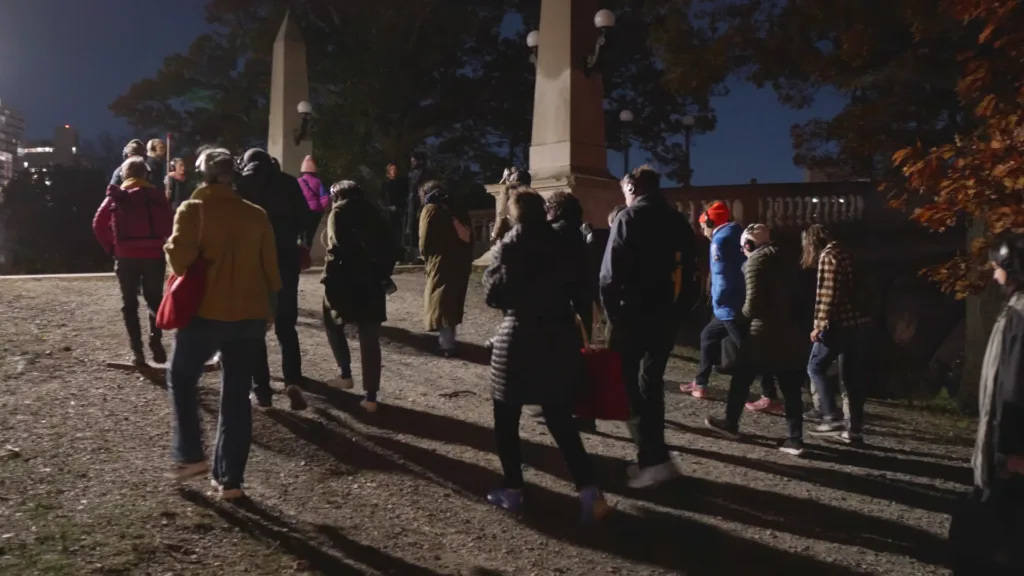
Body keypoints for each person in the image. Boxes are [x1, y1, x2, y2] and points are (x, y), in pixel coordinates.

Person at [482, 188, 610, 522]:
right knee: (560, 420)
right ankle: (590, 491)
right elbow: (581, 291)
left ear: (514, 214)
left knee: (506, 420)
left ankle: (513, 489)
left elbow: (493, 295)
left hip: (519, 336)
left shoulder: (511, 245)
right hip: (558, 336)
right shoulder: (566, 245)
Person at [163, 147, 281, 500]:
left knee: (181, 376)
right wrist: (270, 311)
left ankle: (189, 455)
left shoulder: (193, 209)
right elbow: (271, 270)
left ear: (203, 174)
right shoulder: (256, 214)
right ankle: (230, 480)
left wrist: (174, 245)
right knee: (237, 393)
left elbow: (180, 260)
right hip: (249, 314)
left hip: (206, 312)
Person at [599, 164, 698, 489]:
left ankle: (653, 459)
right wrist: (678, 311)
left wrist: (613, 315)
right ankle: (657, 457)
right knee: (651, 384)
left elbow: (610, 276)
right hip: (665, 316)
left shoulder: (629, 219)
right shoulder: (677, 221)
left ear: (632, 187)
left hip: (631, 315)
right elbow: (692, 270)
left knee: (626, 386)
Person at [952, 232, 1024, 574]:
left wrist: (1013, 450)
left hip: (1011, 445)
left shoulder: (1019, 316)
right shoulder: (1014, 311)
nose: (995, 275)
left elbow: (1015, 386)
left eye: (998, 267)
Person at [704, 224, 809, 455]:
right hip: (790, 332)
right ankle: (795, 440)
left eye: (744, 247)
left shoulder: (755, 263)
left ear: (750, 245)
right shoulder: (786, 259)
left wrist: (740, 317)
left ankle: (731, 424)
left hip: (763, 332)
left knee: (741, 378)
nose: (743, 251)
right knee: (791, 388)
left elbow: (753, 304)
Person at [680, 201, 780, 407]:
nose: (701, 228)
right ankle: (700, 382)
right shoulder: (736, 233)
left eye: (702, 224)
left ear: (710, 221)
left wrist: (717, 300)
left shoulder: (719, 241)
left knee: (750, 350)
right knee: (707, 336)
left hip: (729, 308)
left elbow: (721, 275)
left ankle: (769, 394)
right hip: (733, 305)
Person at [236, 148, 309, 411]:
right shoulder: (289, 182)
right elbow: (304, 217)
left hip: (253, 261)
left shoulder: (241, 185)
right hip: (286, 258)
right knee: (286, 324)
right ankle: (292, 381)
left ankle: (262, 390)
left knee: (256, 327)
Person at [321, 181, 396, 413]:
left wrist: (327, 277)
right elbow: (391, 247)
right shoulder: (376, 213)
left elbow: (335, 248)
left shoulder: (338, 212)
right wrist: (383, 273)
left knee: (332, 322)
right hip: (372, 282)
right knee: (370, 338)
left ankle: (345, 373)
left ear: (337, 195)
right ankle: (371, 397)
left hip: (345, 281)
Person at [92, 156, 174, 366]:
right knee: (154, 300)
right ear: (146, 174)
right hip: (153, 255)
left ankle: (137, 352)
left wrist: (112, 246)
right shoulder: (156, 196)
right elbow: (170, 224)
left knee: (129, 304)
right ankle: (155, 340)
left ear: (124, 174)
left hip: (126, 256)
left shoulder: (116, 197)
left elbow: (98, 224)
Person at [802, 223, 872, 445]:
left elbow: (827, 292)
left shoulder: (828, 256)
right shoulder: (848, 252)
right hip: (859, 322)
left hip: (839, 323)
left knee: (815, 367)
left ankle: (830, 416)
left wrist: (819, 325)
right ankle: (854, 430)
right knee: (851, 380)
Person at [419, 180, 474, 357]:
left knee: (441, 301)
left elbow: (424, 240)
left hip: (440, 260)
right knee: (453, 299)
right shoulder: (457, 207)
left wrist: (425, 257)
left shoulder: (431, 209)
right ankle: (449, 340)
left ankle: (446, 344)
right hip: (460, 260)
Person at [403, 152, 431, 262]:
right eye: (412, 161)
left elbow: (424, 188)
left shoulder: (424, 173)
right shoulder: (411, 173)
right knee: (410, 229)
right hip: (410, 204)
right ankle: (410, 254)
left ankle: (421, 254)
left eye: (414, 161)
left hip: (419, 202)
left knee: (420, 226)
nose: (413, 163)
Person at [298, 155, 330, 247]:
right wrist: (325, 210)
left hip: (301, 210)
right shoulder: (318, 182)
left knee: (301, 232)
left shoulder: (297, 181)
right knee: (310, 234)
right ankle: (307, 251)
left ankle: (300, 249)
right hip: (315, 212)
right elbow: (325, 199)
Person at [382, 162, 408, 255]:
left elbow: (404, 196)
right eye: (391, 169)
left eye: (395, 169)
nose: (394, 171)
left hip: (399, 210)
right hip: (388, 211)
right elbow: (382, 197)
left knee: (398, 232)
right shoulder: (385, 184)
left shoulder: (402, 183)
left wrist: (397, 206)